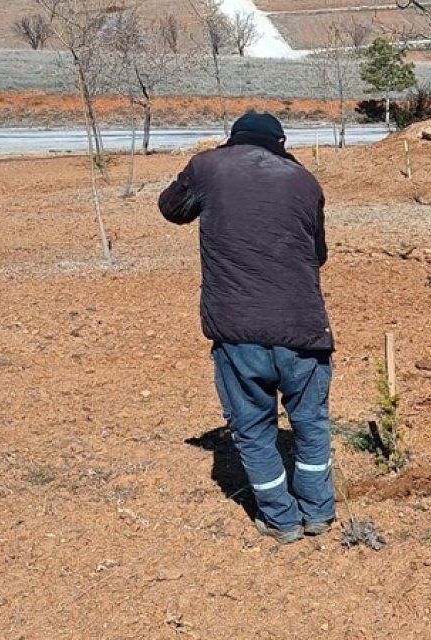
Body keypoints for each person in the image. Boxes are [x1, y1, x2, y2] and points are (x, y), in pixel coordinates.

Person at [159, 113, 336, 545]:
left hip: (239, 332)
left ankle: (282, 520)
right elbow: (318, 255)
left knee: (254, 429)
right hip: (303, 330)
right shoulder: (304, 179)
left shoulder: (208, 167)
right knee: (310, 424)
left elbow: (171, 209)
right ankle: (318, 512)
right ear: (280, 141)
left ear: (231, 139)